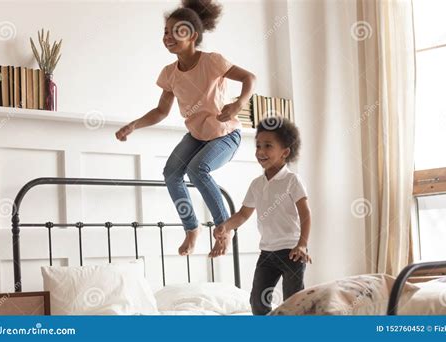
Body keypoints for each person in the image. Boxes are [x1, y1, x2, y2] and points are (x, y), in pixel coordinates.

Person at [115, 0, 256, 256]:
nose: (168, 36)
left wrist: (238, 105)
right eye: (165, 32)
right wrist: (133, 125)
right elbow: (161, 111)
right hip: (197, 136)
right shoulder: (169, 73)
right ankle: (192, 228)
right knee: (171, 173)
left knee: (197, 169)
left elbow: (250, 78)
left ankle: (224, 229)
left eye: (175, 31)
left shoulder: (212, 61)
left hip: (225, 135)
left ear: (192, 35)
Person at [209, 117, 312, 315]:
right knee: (257, 301)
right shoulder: (257, 184)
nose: (260, 152)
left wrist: (302, 244)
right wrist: (225, 227)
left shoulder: (292, 181)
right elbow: (242, 214)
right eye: (258, 146)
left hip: (292, 251)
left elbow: (306, 214)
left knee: (293, 302)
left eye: (267, 146)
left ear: (285, 152)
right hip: (267, 253)